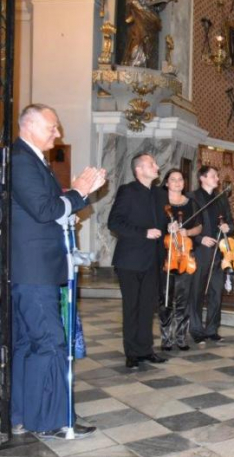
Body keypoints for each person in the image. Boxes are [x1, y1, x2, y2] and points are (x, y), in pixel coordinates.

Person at [10, 104, 105, 439]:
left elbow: (50, 206)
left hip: (36, 270)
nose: (58, 133)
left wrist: (76, 195)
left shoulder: (35, 161)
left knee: (28, 344)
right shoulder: (21, 160)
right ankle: (52, 419)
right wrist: (78, 191)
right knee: (49, 343)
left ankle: (21, 415)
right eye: (52, 127)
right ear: (31, 126)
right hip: (33, 271)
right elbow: (44, 210)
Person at [108, 153, 169, 369]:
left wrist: (169, 228)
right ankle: (132, 352)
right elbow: (114, 223)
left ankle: (146, 350)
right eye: (151, 164)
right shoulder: (127, 191)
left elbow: (161, 225)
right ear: (139, 170)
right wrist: (144, 233)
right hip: (130, 260)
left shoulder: (161, 195)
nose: (156, 166)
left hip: (152, 260)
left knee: (147, 308)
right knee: (131, 307)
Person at [187, 165, 234, 344]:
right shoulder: (192, 198)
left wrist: (227, 228)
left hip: (220, 253)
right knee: (197, 291)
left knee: (216, 291)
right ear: (203, 178)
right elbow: (187, 225)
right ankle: (197, 330)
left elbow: (232, 224)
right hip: (200, 252)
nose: (217, 179)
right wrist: (200, 239)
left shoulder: (221, 199)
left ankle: (212, 329)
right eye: (214, 176)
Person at [158, 169, 201, 351]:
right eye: (173, 179)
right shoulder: (159, 202)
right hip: (165, 257)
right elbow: (152, 225)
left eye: (180, 179)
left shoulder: (191, 203)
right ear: (166, 183)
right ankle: (166, 338)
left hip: (185, 256)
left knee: (184, 300)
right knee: (166, 299)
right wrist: (166, 227)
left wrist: (187, 232)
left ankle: (181, 337)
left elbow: (199, 227)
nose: (177, 182)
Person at [121, 0, 174, 67]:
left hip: (148, 23)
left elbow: (155, 7)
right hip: (137, 20)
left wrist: (163, 3)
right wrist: (147, 12)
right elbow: (135, 4)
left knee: (148, 42)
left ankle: (145, 61)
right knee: (139, 40)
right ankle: (135, 62)